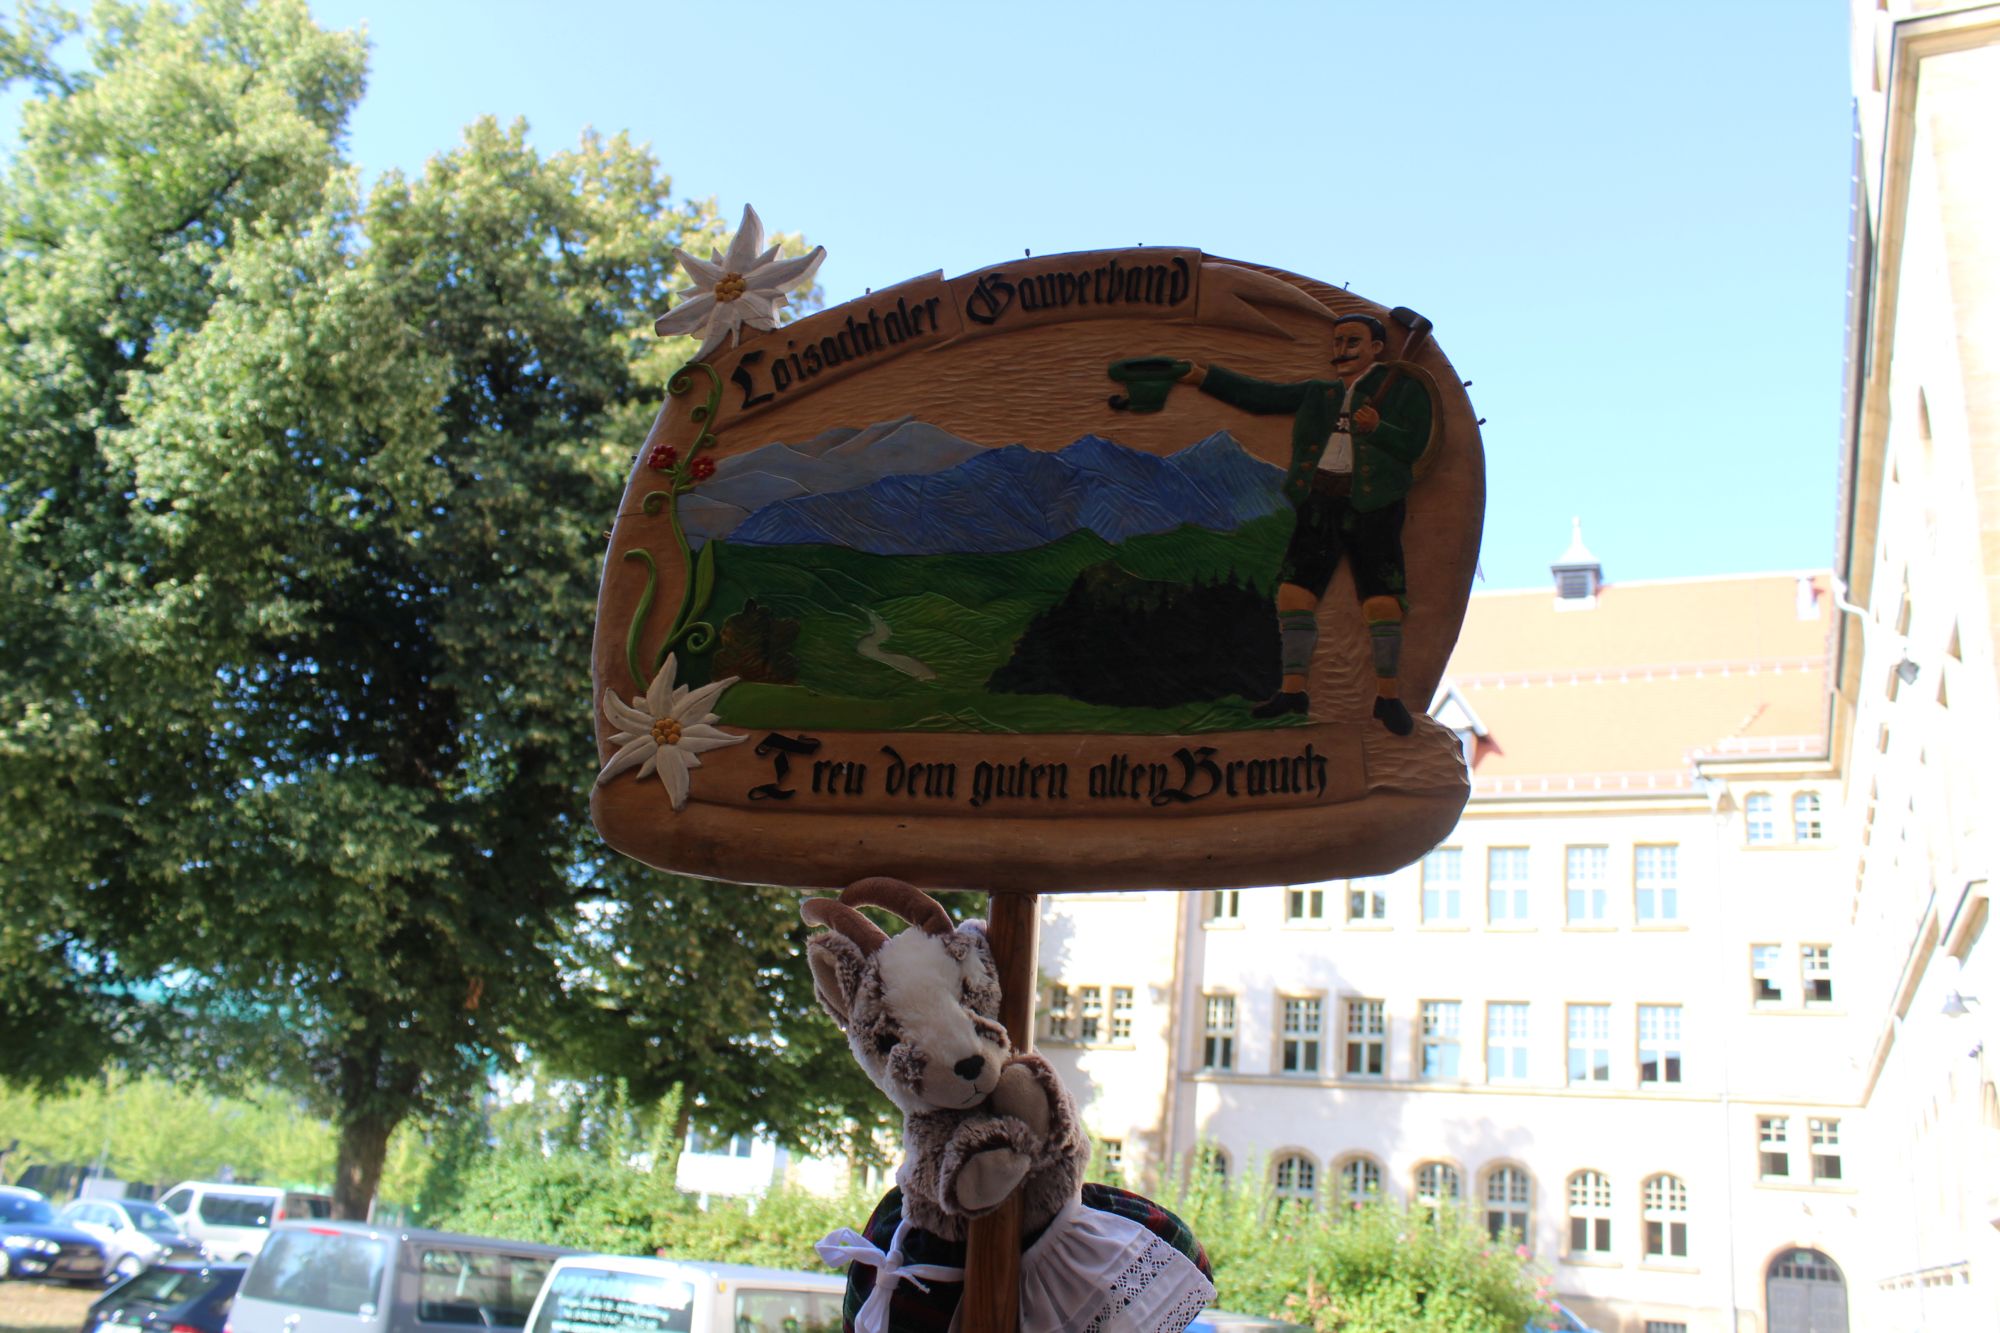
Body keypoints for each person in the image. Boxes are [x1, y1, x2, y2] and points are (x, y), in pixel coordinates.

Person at [1174, 314, 1433, 733]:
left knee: (1381, 601)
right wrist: (1203, 376)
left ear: (1376, 348)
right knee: (1294, 594)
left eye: (1352, 341)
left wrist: (1378, 428)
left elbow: (1416, 444)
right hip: (1319, 501)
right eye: (1338, 341)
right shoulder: (1320, 393)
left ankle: (1387, 698)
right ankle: (1293, 691)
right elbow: (1261, 396)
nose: (1342, 349)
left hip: (1374, 506)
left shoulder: (1405, 388)